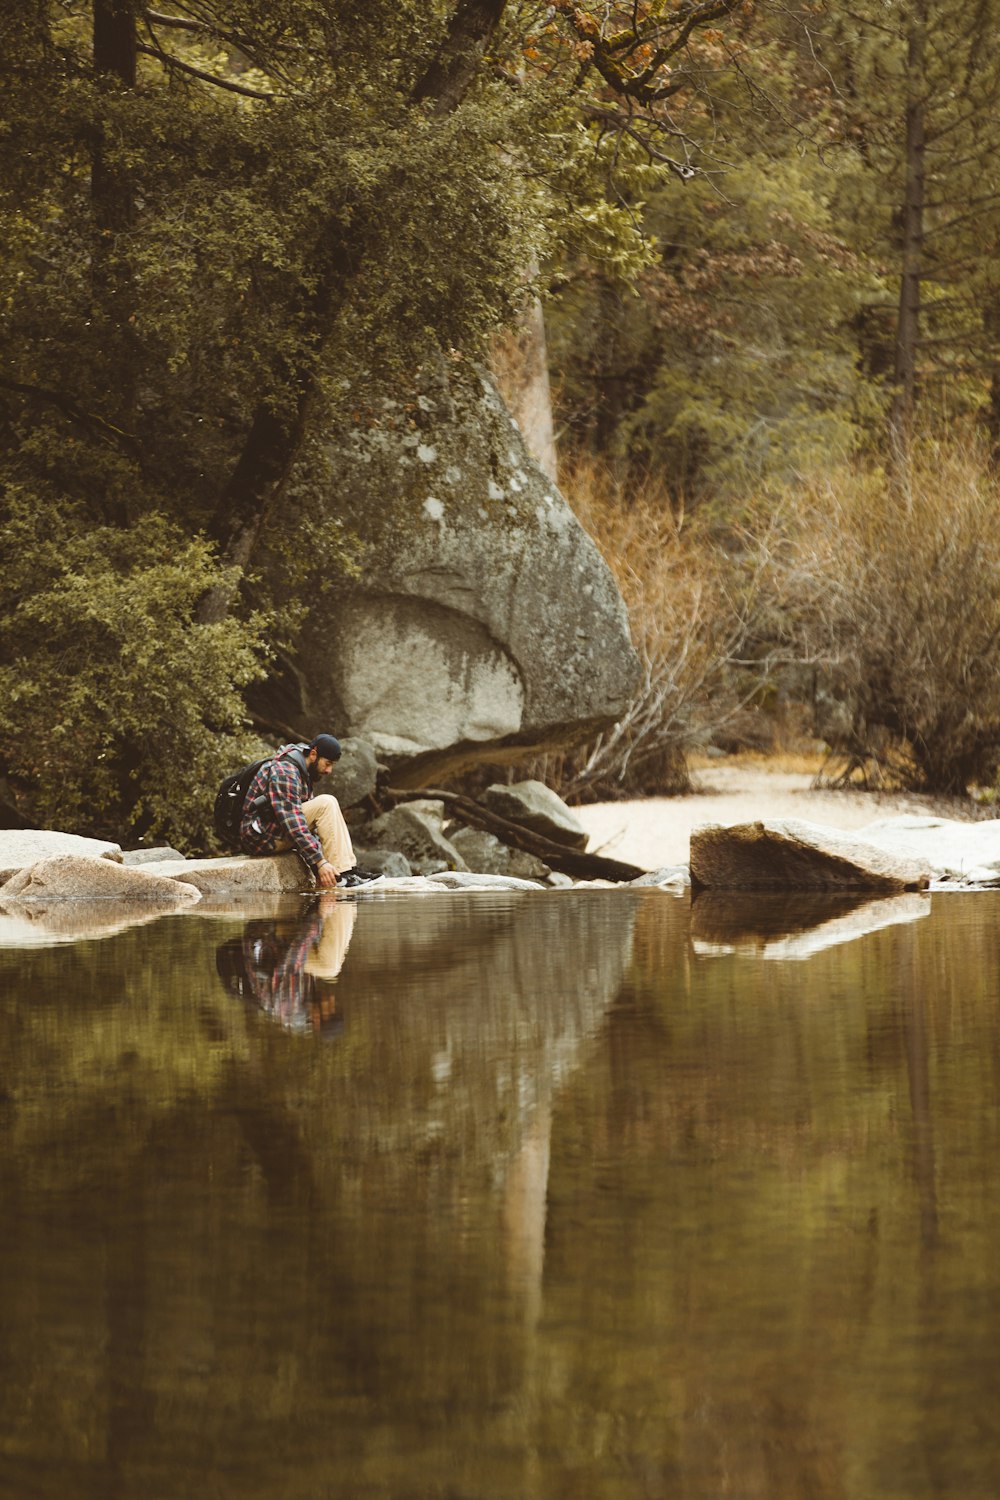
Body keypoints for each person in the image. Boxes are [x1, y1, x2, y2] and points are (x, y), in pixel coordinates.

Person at [238, 733, 376, 888]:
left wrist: (318, 865)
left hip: (274, 830)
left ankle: (348, 869)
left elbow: (310, 826)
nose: (329, 770)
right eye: (328, 763)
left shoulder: (303, 771)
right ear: (313, 754)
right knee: (326, 803)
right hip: (261, 837)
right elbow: (293, 823)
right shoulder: (285, 772)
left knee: (329, 803)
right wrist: (320, 862)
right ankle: (342, 875)